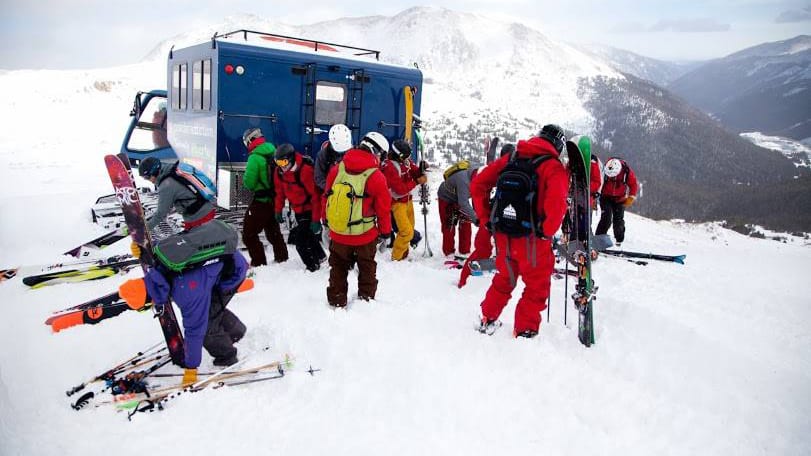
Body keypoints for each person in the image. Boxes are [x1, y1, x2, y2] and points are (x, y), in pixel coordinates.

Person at [470, 124, 569, 338]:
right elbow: (557, 204)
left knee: (505, 278)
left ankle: (487, 317)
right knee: (536, 287)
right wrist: (547, 231)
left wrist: (486, 219)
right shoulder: (553, 167)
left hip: (504, 234)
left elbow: (478, 183)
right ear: (559, 145)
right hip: (533, 240)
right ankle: (524, 331)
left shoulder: (512, 157)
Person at [119, 249, 250, 386]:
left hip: (232, 271)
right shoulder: (158, 270)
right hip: (219, 260)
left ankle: (227, 359)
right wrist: (142, 251)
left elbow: (194, 330)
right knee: (209, 309)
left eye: (147, 306)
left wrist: (191, 368)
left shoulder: (185, 292)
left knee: (205, 325)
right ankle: (237, 332)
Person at [322, 131, 392, 307]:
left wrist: (325, 222)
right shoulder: (376, 177)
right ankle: (365, 301)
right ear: (377, 152)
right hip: (365, 235)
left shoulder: (337, 169)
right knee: (367, 268)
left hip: (338, 233)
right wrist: (385, 233)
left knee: (338, 267)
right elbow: (383, 210)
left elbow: (326, 197)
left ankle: (336, 301)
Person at [273, 144, 325, 271]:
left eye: (284, 162)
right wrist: (278, 210)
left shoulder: (305, 171)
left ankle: (312, 266)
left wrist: (315, 219)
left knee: (300, 242)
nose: (281, 166)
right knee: (309, 236)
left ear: (291, 159)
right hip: (297, 210)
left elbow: (315, 197)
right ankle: (321, 256)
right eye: (278, 162)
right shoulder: (279, 173)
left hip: (309, 209)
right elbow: (279, 193)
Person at [241, 127, 289, 266]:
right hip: (274, 200)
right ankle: (282, 258)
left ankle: (259, 262)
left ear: (250, 140)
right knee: (273, 231)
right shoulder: (274, 151)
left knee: (248, 234)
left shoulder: (254, 158)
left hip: (261, 201)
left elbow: (249, 183)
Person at [138, 157, 216, 232]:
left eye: (147, 177)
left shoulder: (166, 185)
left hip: (200, 217)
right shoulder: (171, 171)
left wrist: (144, 230)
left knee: (198, 243)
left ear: (154, 172)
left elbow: (161, 214)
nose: (147, 180)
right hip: (201, 212)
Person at [380, 139, 427, 260]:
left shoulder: (404, 160)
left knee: (410, 228)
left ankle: (404, 255)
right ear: (398, 155)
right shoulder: (389, 167)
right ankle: (396, 258)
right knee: (406, 232)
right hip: (397, 203)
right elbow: (400, 189)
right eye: (405, 156)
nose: (407, 158)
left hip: (407, 200)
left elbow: (413, 169)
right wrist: (417, 181)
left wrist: (420, 170)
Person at [437, 161, 479, 257]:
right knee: (449, 225)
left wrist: (476, 215)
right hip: (446, 198)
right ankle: (449, 252)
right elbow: (463, 203)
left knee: (466, 223)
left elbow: (476, 197)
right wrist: (476, 219)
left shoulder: (479, 177)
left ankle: (465, 251)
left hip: (460, 197)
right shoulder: (464, 180)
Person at [595, 157, 638, 247]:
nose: (612, 177)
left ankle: (619, 240)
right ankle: (598, 239)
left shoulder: (626, 171)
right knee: (606, 218)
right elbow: (598, 182)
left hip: (620, 198)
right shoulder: (605, 170)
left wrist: (631, 197)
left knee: (618, 220)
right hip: (606, 197)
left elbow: (633, 184)